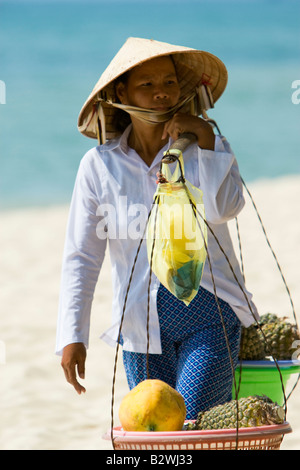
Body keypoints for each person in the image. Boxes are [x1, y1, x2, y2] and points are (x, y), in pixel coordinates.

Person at [56, 37, 259, 419]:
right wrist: (72, 335)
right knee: (155, 430)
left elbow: (224, 209)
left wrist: (205, 138)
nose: (161, 94)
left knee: (191, 422)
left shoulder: (207, 148)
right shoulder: (99, 166)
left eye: (168, 82)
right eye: (146, 85)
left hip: (210, 314)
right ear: (123, 92)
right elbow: (82, 255)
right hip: (140, 327)